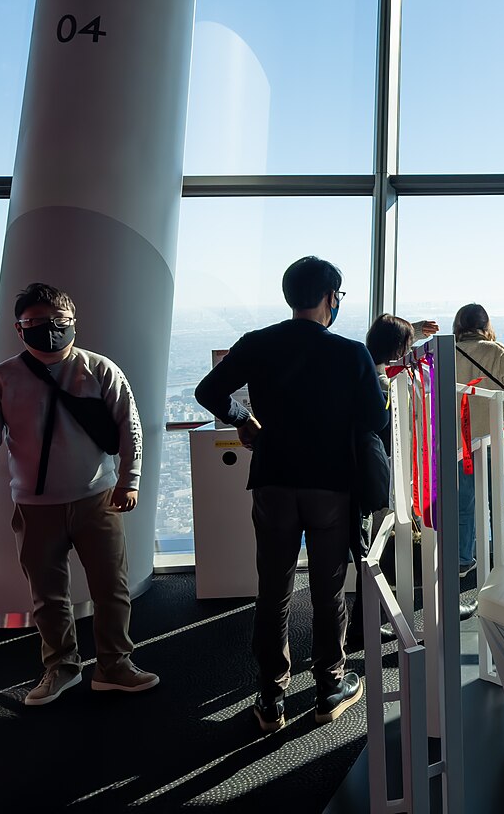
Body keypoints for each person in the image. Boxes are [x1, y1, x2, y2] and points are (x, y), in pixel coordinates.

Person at [195, 256, 387, 732]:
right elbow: (375, 421)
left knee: (273, 591)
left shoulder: (257, 343)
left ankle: (270, 697)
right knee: (328, 590)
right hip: (331, 486)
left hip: (273, 481)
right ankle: (329, 687)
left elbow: (208, 391)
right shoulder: (350, 353)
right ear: (330, 298)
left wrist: (244, 420)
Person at [0, 282, 156, 706]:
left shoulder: (99, 369)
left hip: (97, 497)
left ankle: (114, 664)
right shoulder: (1, 379)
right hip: (34, 505)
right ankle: (61, 666)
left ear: (74, 322)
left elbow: (129, 427)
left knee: (111, 587)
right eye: (37, 322)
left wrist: (129, 480)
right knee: (47, 594)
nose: (51, 329)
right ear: (19, 328)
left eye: (59, 320)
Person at [347, 312, 436, 649]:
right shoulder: (385, 384)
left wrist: (413, 331)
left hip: (348, 475)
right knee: (371, 555)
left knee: (362, 554)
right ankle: (363, 627)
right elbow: (390, 433)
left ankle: (361, 624)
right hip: (373, 479)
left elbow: (387, 343)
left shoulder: (359, 369)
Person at [452, 304, 504, 589]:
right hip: (494, 436)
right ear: (486, 325)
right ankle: (502, 559)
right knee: (499, 501)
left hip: (461, 441)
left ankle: (463, 558)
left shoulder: (449, 352)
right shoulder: (497, 352)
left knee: (464, 503)